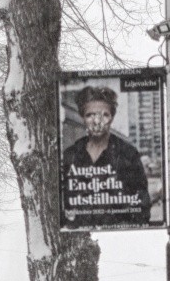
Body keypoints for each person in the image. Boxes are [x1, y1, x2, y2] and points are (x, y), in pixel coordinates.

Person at [61, 85, 153, 227]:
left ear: (112, 117)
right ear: (82, 117)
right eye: (90, 115)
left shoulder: (128, 154)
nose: (97, 122)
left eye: (104, 115)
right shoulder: (70, 156)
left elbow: (142, 208)